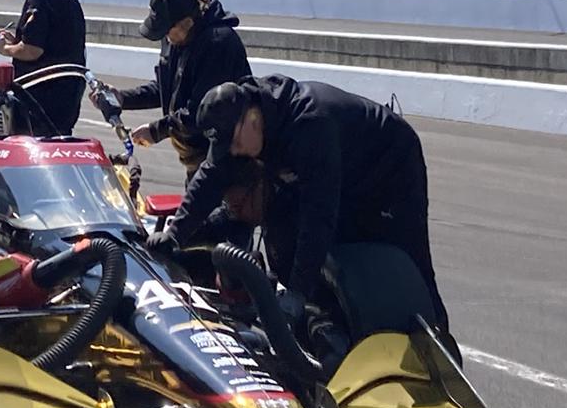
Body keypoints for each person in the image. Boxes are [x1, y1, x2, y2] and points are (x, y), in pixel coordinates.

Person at [147, 76, 448, 340]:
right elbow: (211, 176)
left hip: (388, 163)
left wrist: (297, 293)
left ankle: (436, 337)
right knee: (311, 248)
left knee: (407, 253)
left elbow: (318, 217)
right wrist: (175, 234)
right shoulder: (245, 126)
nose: (234, 153)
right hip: (340, 166)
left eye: (235, 144)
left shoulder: (309, 125)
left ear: (252, 119)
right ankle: (335, 334)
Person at [93, 0, 252, 176]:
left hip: (228, 157)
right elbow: (166, 88)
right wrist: (123, 98)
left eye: (167, 31)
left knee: (204, 204)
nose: (166, 38)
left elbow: (201, 111)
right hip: (197, 158)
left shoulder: (218, 44)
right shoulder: (177, 39)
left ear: (186, 22)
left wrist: (156, 131)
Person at [0, 0, 86, 136]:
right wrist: (16, 43)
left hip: (41, 97)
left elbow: (32, 50)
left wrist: (4, 49)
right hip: (67, 93)